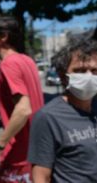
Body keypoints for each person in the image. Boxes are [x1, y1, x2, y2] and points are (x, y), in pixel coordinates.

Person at [28, 31, 97, 183]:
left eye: (94, 71)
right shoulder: (48, 117)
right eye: (79, 71)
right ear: (62, 75)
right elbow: (40, 176)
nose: (89, 77)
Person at [0, 15, 44, 183]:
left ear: (4, 37)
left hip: (19, 152)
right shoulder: (27, 60)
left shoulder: (8, 64)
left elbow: (24, 109)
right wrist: (4, 107)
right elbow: (29, 97)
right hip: (36, 148)